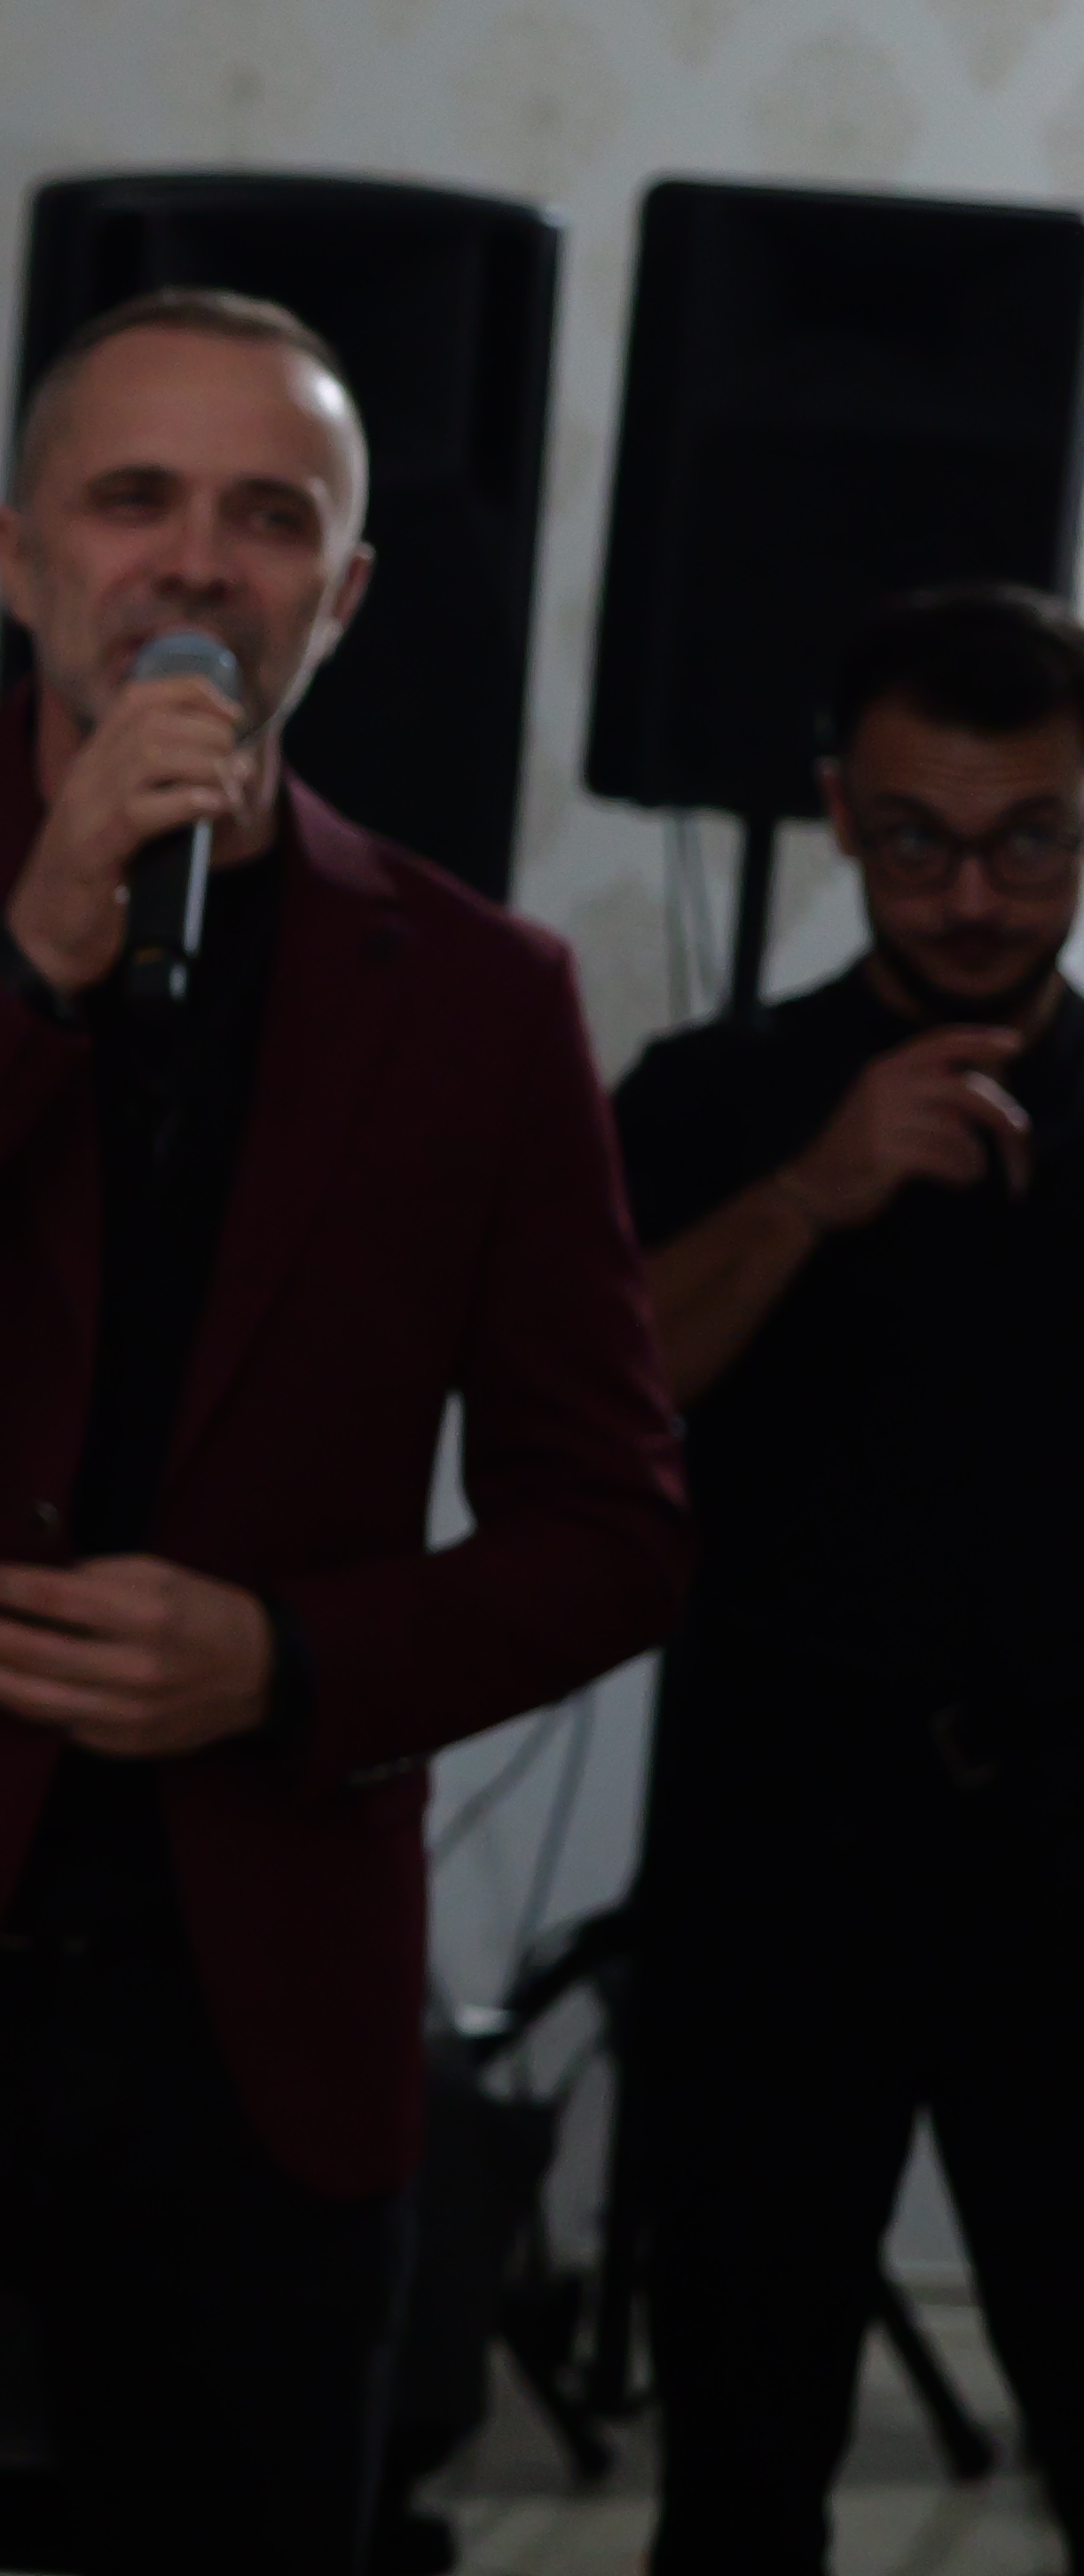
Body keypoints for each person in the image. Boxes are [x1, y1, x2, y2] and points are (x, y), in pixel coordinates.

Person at [0, 287, 688, 2575]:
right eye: (132, 498)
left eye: (267, 517)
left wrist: (283, 1659)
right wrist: (25, 965)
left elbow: (612, 1528)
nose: (193, 560)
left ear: (338, 597)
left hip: (245, 1995)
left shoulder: (479, 996)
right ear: (16, 556)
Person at [612, 584, 1084, 2570]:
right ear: (835, 816)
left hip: (1064, 1866)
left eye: (1028, 840)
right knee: (739, 2455)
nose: (971, 895)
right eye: (917, 841)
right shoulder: (707, 1096)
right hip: (774, 1864)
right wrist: (812, 1189)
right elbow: (591, 1399)